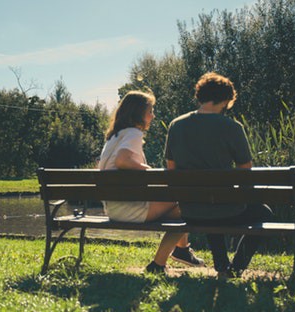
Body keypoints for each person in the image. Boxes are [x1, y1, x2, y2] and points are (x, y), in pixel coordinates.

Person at [164, 72, 273, 279]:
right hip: (225, 208)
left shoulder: (176, 125)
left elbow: (171, 168)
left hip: (190, 209)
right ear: (225, 99)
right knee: (263, 213)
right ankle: (236, 267)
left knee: (210, 203)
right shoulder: (232, 127)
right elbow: (245, 169)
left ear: (200, 95)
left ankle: (222, 266)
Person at [98, 90, 204, 274]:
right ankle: (160, 263)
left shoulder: (114, 136)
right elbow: (122, 161)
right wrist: (149, 171)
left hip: (114, 208)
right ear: (138, 113)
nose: (153, 116)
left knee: (179, 210)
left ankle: (182, 250)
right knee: (190, 206)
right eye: (150, 111)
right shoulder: (133, 133)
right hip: (129, 209)